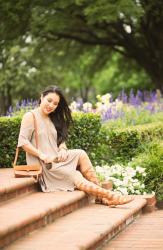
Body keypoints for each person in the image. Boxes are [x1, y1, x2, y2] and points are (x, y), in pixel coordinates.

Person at [17, 85, 134, 206]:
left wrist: (62, 149)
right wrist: (41, 155)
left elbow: (60, 140)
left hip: (57, 158)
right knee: (75, 175)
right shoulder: (30, 116)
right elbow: (23, 142)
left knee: (80, 153)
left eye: (55, 104)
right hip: (45, 165)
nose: (51, 105)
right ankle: (110, 196)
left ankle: (101, 196)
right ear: (41, 97)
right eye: (49, 100)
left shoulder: (53, 117)